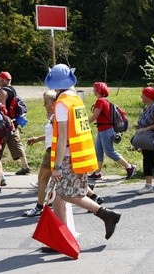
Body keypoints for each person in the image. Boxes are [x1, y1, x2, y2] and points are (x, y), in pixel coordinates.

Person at [46, 64, 121, 240]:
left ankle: (106, 214)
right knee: (60, 197)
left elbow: (63, 137)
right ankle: (62, 238)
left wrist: (57, 166)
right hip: (81, 154)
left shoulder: (61, 104)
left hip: (68, 157)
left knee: (67, 194)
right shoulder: (75, 99)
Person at [22, 90, 104, 216]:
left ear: (54, 102)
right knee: (62, 190)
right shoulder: (56, 114)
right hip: (60, 153)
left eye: (46, 102)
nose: (44, 105)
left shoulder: (59, 114)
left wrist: (58, 166)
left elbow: (62, 137)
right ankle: (94, 199)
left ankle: (39, 207)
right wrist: (37, 139)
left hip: (56, 153)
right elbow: (54, 134)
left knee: (47, 182)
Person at [88, 82, 136, 180]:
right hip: (102, 130)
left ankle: (129, 167)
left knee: (109, 152)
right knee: (98, 151)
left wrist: (83, 124)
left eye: (94, 88)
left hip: (106, 130)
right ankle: (97, 173)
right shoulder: (105, 101)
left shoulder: (100, 101)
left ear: (98, 90)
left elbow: (94, 116)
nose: (93, 90)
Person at [0, 71, 31, 175]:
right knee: (17, 143)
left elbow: (2, 108)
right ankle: (25, 165)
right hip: (13, 122)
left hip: (4, 123)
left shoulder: (2, 92)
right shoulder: (12, 90)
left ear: (3, 80)